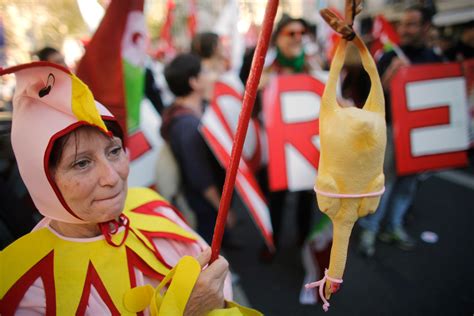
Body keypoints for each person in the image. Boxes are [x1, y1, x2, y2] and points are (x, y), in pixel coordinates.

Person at [0, 62, 259, 315]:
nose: (112, 177)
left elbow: (217, 287)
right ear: (42, 180)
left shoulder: (151, 205)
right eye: (82, 163)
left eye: (114, 151)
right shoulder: (21, 288)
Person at [358, 5, 443, 257]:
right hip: (392, 130)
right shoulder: (388, 57)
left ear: (426, 27)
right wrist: (392, 76)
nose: (404, 29)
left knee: (408, 184)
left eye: (412, 24)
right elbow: (372, 98)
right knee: (385, 181)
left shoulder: (434, 59)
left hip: (420, 132)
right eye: (403, 24)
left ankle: (393, 226)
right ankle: (370, 228)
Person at [160, 53, 238, 245]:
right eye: (204, 71)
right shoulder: (187, 126)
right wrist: (222, 209)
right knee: (210, 244)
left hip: (204, 199)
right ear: (194, 82)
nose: (210, 75)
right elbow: (200, 178)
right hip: (204, 204)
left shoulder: (186, 111)